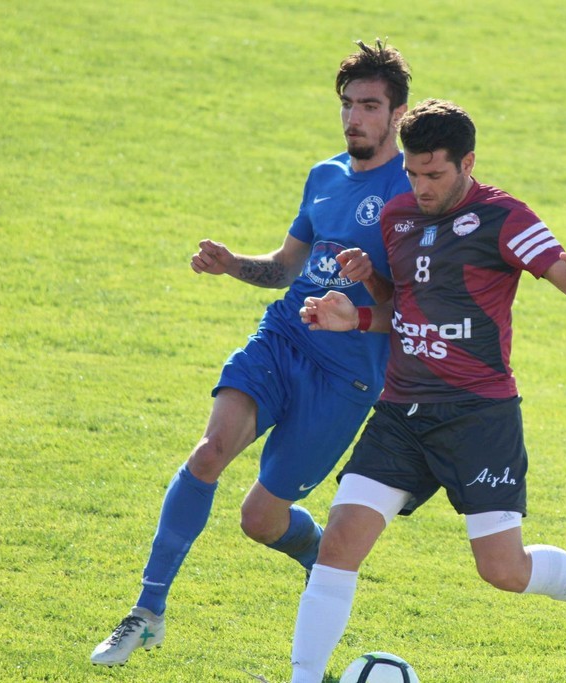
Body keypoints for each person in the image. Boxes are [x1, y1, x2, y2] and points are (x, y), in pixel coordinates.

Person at [289, 99, 566, 682]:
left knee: (502, 569)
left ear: (467, 163)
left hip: (477, 416)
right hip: (401, 412)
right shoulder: (398, 216)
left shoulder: (505, 217)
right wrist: (358, 315)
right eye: (413, 173)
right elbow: (405, 307)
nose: (420, 187)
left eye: (434, 174)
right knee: (339, 544)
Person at [90, 40, 413, 667]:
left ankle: (314, 551)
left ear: (397, 113)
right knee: (209, 452)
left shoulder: (412, 191)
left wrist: (369, 282)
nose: (354, 118)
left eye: (370, 106)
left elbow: (415, 307)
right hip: (283, 339)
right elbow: (287, 266)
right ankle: (147, 612)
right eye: (347, 104)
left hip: (345, 377)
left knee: (260, 520)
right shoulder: (324, 176)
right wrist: (232, 264)